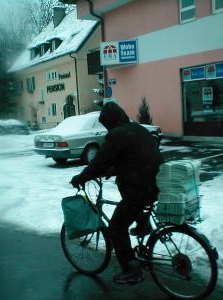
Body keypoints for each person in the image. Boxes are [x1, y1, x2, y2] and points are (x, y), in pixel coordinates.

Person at [70, 102, 164, 284]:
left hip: (140, 188)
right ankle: (143, 223)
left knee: (116, 227)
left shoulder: (116, 135)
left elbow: (100, 161)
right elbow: (135, 157)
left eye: (105, 123)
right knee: (130, 200)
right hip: (156, 183)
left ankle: (131, 269)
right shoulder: (137, 128)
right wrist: (114, 170)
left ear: (109, 121)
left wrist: (81, 177)